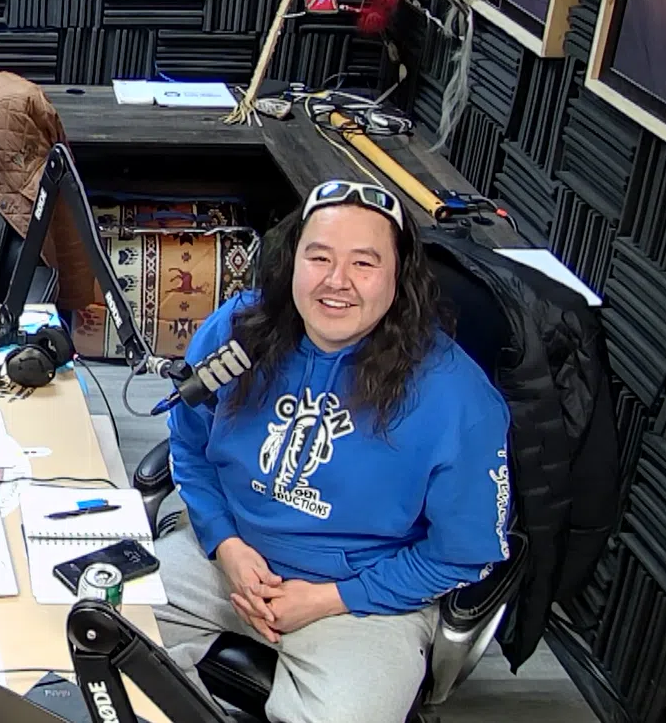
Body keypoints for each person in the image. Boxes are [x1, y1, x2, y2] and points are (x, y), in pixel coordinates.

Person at [155, 179, 512, 723]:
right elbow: (188, 442)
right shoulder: (237, 331)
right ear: (292, 261)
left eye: (363, 263)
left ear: (399, 276)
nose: (336, 281)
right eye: (319, 257)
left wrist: (331, 599)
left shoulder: (458, 398)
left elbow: (463, 553)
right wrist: (224, 543)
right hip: (226, 560)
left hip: (364, 599)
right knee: (86, 621)